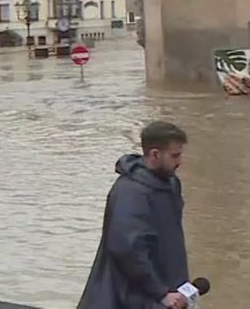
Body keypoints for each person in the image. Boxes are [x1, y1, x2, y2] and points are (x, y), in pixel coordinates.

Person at [78, 121, 191, 309]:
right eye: (175, 155)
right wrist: (161, 292)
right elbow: (128, 250)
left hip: (169, 294)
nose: (180, 161)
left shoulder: (171, 184)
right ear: (155, 154)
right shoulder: (130, 192)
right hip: (133, 297)